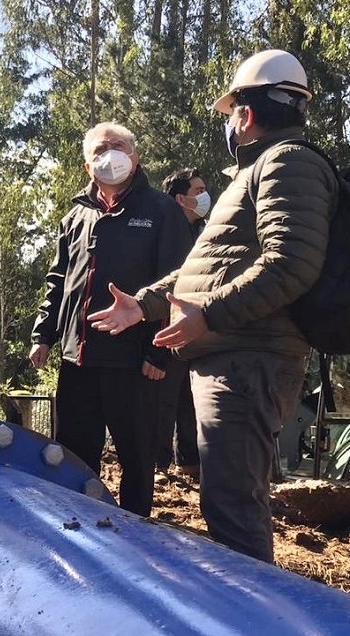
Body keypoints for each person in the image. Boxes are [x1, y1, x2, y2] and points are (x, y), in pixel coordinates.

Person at [86, 50, 337, 562]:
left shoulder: (287, 163)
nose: (229, 124)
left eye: (229, 114)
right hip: (234, 359)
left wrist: (209, 316)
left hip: (248, 362)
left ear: (244, 114)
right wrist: (145, 303)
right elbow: (207, 266)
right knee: (226, 504)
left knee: (234, 512)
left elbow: (291, 263)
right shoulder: (256, 171)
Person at [29, 122, 191, 516]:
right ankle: (76, 525)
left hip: (134, 362)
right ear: (88, 166)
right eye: (101, 149)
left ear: (134, 158)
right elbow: (58, 279)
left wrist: (161, 355)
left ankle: (135, 531)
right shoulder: (75, 217)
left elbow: (181, 281)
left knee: (137, 458)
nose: (110, 155)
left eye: (118, 147)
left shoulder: (161, 210)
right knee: (73, 456)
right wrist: (43, 334)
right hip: (77, 360)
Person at [152, 168, 210, 478]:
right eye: (198, 190)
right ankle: (158, 469)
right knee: (162, 404)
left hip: (196, 335)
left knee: (190, 404)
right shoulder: (163, 234)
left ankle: (190, 465)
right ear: (180, 198)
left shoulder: (203, 235)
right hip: (166, 333)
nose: (205, 196)